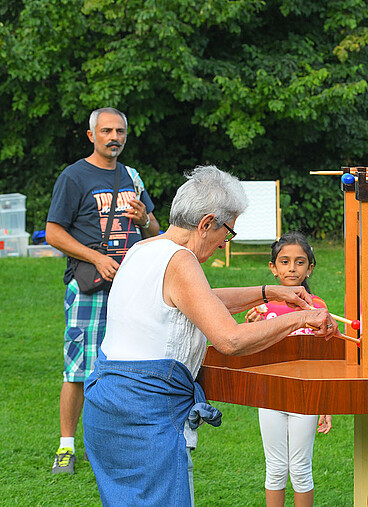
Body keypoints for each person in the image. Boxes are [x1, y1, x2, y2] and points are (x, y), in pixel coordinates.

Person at [82, 166, 338, 506]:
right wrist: (302, 318)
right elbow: (230, 339)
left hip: (106, 407)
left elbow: (199, 300)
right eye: (227, 233)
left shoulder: (142, 250)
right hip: (145, 417)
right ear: (206, 224)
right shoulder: (182, 261)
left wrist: (270, 293)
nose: (224, 244)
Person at [46, 107, 160, 474]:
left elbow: (155, 232)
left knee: (125, 366)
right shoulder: (73, 176)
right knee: (78, 368)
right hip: (88, 287)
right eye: (107, 130)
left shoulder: (132, 177)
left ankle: (117, 442)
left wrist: (145, 219)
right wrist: (95, 257)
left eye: (121, 131)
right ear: (91, 135)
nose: (115, 137)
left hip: (130, 289)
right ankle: (66, 447)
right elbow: (53, 233)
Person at [246, 232, 332, 507]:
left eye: (299, 262)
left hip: (304, 397)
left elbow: (324, 359)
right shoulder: (262, 308)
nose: (292, 268)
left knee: (301, 469)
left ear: (310, 267)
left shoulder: (317, 308)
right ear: (273, 268)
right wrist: (251, 327)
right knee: (274, 468)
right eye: (284, 262)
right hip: (269, 395)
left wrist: (324, 403)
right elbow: (248, 351)